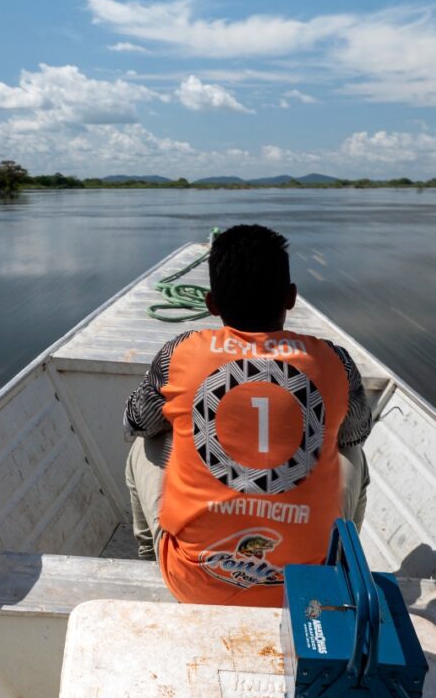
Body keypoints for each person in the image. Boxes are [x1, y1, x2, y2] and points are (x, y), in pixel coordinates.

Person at [123, 224, 371, 607]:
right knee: (351, 450)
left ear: (211, 304)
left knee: (145, 445)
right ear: (291, 297)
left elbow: (136, 422)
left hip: (194, 582)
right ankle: (340, 564)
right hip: (308, 584)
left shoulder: (180, 353)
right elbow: (355, 434)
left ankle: (151, 560)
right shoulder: (334, 362)